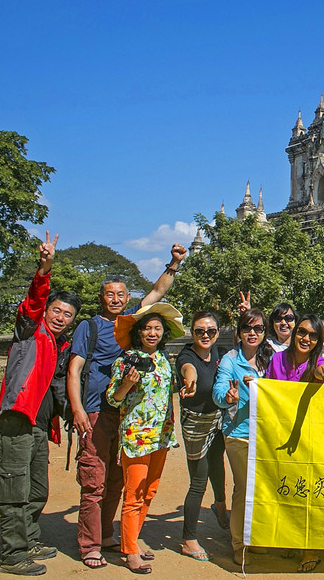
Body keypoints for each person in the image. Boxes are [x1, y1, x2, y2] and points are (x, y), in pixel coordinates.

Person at [67, 244, 186, 569]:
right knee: (95, 480)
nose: (116, 299)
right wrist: (77, 409)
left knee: (119, 482)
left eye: (121, 294)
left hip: (129, 418)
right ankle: (90, 546)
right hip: (97, 410)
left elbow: (157, 292)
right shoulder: (90, 327)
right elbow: (75, 369)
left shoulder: (137, 326)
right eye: (110, 294)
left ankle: (109, 535)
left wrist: (174, 263)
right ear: (101, 298)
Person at [0, 232, 79, 576]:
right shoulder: (30, 330)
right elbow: (33, 299)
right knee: (14, 488)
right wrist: (45, 268)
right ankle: (12, 555)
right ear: (46, 310)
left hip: (41, 426)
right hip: (18, 420)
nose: (60, 317)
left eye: (67, 314)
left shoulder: (61, 345)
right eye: (56, 310)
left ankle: (28, 539)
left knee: (36, 488)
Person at [106, 302, 184, 574]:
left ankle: (132, 541)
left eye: (157, 329)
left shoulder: (163, 359)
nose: (152, 333)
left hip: (161, 436)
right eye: (148, 328)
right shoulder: (125, 360)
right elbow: (113, 398)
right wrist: (127, 383)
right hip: (136, 436)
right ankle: (129, 552)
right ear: (138, 332)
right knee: (134, 494)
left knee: (149, 492)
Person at [265, 314, 324, 572]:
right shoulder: (276, 360)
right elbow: (268, 390)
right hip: (280, 435)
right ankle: (290, 539)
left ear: (318, 341)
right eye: (302, 332)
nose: (306, 338)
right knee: (285, 489)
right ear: (295, 333)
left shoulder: (319, 363)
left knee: (308, 494)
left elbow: (321, 372)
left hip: (309, 439)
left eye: (313, 335)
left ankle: (310, 549)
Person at [213, 307, 271, 565]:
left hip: (266, 434)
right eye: (247, 328)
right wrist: (228, 397)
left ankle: (253, 538)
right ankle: (239, 544)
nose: (252, 333)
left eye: (258, 328)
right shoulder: (230, 360)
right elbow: (219, 390)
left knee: (260, 490)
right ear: (239, 332)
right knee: (244, 488)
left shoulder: (270, 358)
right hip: (238, 434)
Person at [174, 310, 228, 563]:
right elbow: (189, 370)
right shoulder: (186, 355)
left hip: (217, 418)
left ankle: (220, 506)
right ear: (192, 332)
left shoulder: (219, 353)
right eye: (199, 331)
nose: (205, 335)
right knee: (198, 481)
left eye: (211, 331)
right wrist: (190, 382)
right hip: (196, 423)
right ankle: (189, 539)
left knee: (218, 465)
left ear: (218, 332)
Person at [238, 296, 324, 365]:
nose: (283, 323)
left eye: (288, 318)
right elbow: (244, 348)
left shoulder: (309, 344)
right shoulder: (266, 346)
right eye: (278, 319)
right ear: (272, 323)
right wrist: (247, 318)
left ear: (296, 322)